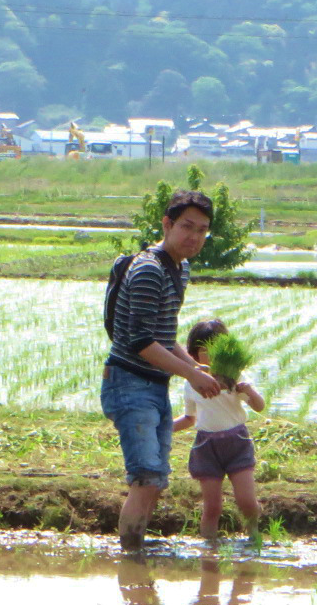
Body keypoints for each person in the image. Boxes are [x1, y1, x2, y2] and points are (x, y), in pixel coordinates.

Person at [100, 189, 223, 551]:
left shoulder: (179, 269)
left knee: (156, 479)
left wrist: (196, 367)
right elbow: (140, 342)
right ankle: (131, 563)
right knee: (146, 477)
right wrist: (192, 375)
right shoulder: (149, 271)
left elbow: (165, 337)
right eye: (187, 227)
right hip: (129, 382)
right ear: (167, 224)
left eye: (202, 230)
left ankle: (136, 553)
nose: (195, 237)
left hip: (153, 385)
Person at [173, 318, 265, 539]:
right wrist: (161, 429)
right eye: (205, 350)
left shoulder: (236, 378)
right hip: (207, 447)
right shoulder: (192, 382)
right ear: (194, 353)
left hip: (237, 443)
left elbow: (259, 406)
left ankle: (254, 537)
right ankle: (209, 554)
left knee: (246, 502)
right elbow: (189, 418)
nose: (210, 355)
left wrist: (250, 392)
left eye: (216, 348)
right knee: (212, 507)